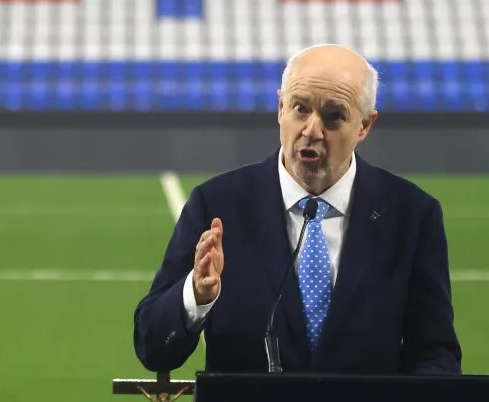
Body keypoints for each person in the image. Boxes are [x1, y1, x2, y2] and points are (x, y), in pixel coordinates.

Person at [133, 44, 462, 375]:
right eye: (301, 109)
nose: (312, 130)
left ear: (364, 126)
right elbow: (152, 346)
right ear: (280, 108)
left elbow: (435, 354)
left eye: (333, 116)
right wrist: (196, 296)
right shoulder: (217, 204)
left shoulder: (412, 216)